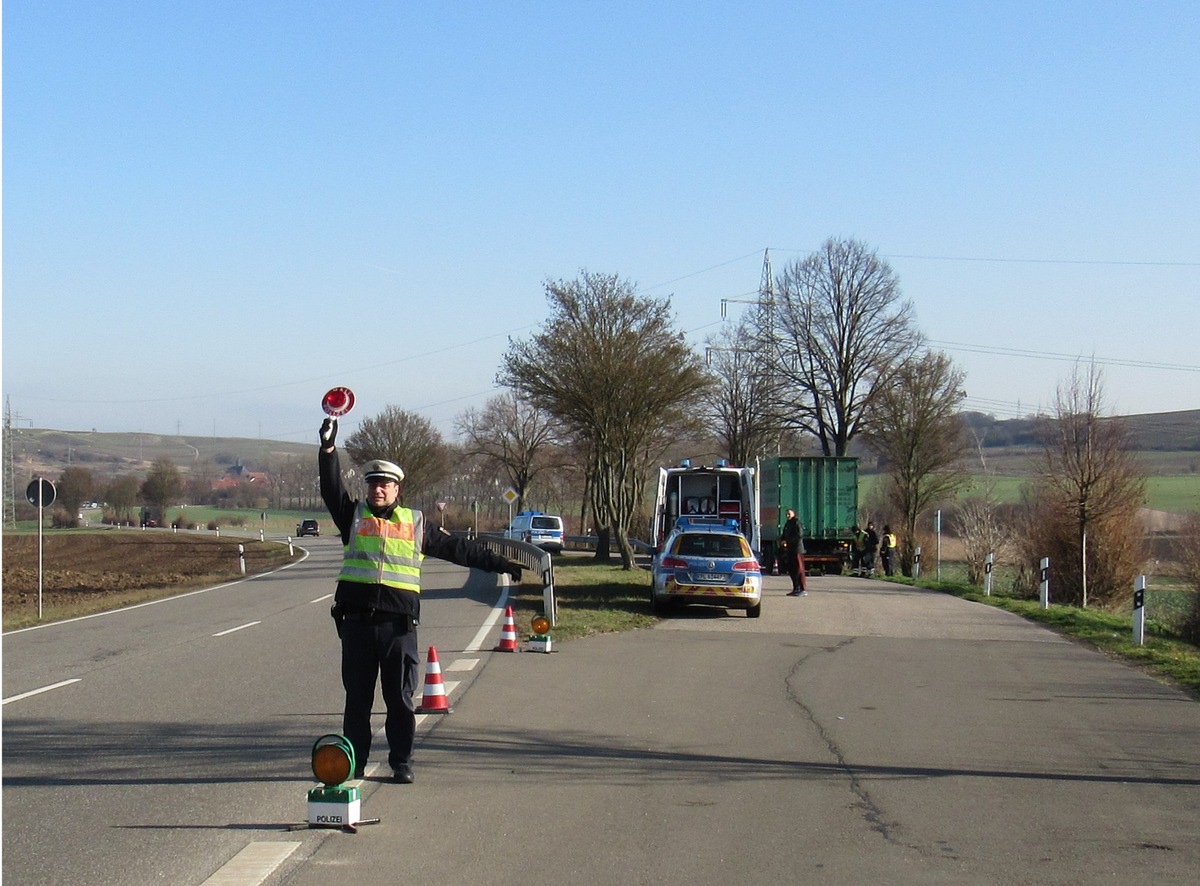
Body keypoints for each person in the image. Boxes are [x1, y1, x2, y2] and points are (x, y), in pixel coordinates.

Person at [319, 417, 520, 784]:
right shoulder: (353, 516)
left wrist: (499, 563)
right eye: (373, 484)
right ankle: (356, 763)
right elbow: (331, 489)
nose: (378, 490)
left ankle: (401, 761)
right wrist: (328, 450)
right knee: (357, 703)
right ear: (367, 488)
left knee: (400, 700)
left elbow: (458, 548)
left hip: (397, 627)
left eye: (386, 485)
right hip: (357, 625)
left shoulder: (416, 523)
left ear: (397, 489)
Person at [780, 508, 808, 596]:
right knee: (792, 570)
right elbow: (784, 535)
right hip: (790, 549)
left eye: (789, 514)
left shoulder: (797, 523)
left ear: (794, 514)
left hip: (797, 549)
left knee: (799, 569)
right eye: (786, 514)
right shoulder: (787, 523)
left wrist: (788, 541)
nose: (787, 515)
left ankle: (802, 589)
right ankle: (796, 588)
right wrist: (782, 540)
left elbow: (799, 535)